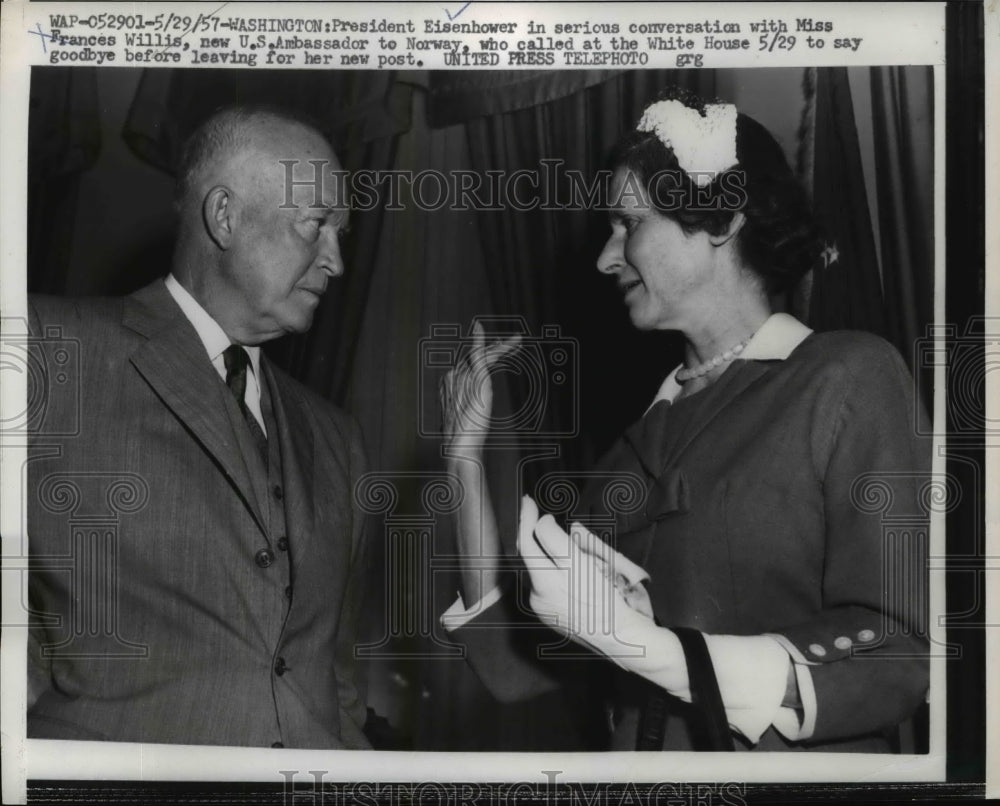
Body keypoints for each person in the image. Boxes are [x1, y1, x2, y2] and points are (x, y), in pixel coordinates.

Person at [439, 91, 930, 752]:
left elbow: (894, 657)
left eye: (627, 222)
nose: (606, 258)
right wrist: (464, 461)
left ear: (723, 218)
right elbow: (512, 668)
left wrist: (661, 653)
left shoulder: (846, 378)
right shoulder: (630, 448)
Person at [26, 106, 372, 748]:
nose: (336, 262)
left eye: (341, 234)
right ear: (225, 216)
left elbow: (334, 678)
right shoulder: (48, 347)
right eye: (317, 225)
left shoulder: (335, 435)